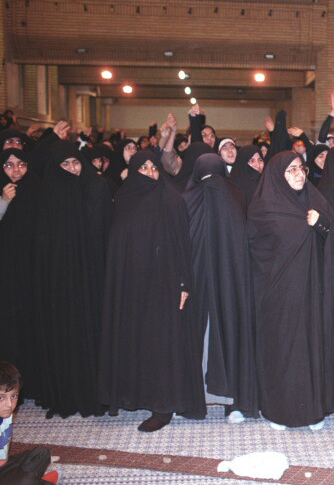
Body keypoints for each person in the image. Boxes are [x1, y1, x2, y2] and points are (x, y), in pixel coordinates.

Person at [98, 151, 206, 432]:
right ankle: (133, 396)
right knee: (136, 341)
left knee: (161, 344)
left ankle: (163, 407)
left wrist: (183, 284)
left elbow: (184, 246)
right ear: (133, 171)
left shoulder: (171, 200)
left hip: (164, 284)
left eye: (153, 167)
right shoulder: (123, 200)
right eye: (143, 167)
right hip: (132, 284)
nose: (149, 171)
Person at [247, 151, 334, 430]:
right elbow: (256, 252)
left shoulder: (316, 200)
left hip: (313, 291)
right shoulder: (263, 207)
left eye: (302, 167)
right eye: (291, 170)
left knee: (312, 347)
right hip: (278, 297)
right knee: (283, 351)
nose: (299, 174)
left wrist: (320, 223)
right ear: (278, 175)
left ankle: (314, 409)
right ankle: (279, 410)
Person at [33, 142, 112, 419]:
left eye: (75, 162)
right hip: (60, 286)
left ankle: (96, 393)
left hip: (90, 280)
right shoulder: (47, 198)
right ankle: (66, 393)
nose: (72, 169)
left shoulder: (95, 190)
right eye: (64, 165)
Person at [184, 154, 258, 423]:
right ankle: (207, 397)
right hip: (212, 280)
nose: (211, 184)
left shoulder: (224, 195)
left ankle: (226, 399)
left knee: (220, 333)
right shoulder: (223, 194)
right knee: (214, 334)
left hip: (220, 278)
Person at [0, 150, 40, 394]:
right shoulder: (5, 193)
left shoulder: (35, 191)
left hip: (31, 271)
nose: (16, 170)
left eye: (21, 164)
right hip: (7, 275)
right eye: (9, 165)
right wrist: (4, 200)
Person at [0, 362, 59, 484]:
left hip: (3, 466)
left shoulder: (5, 413)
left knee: (41, 454)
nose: (9, 404)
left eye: (14, 396)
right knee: (25, 480)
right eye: (1, 398)